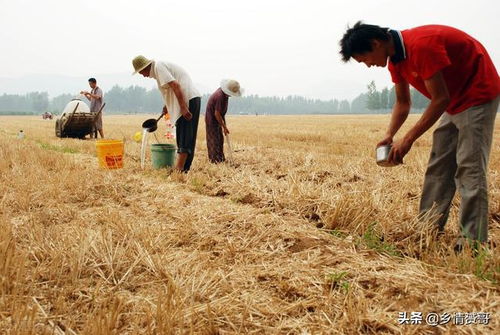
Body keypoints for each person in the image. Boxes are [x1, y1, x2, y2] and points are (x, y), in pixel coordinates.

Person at [339, 22, 500, 251]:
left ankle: (472, 242)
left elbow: (440, 98)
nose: (367, 65)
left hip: (476, 94)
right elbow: (403, 103)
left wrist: (408, 139)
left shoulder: (422, 46)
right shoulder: (395, 59)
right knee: (439, 165)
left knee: (469, 167)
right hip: (454, 101)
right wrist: (390, 135)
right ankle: (427, 229)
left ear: (375, 44)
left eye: (364, 59)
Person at [132, 55, 201, 172]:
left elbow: (176, 85)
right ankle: (184, 169)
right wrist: (167, 106)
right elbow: (171, 89)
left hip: (187, 100)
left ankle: (179, 168)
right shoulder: (159, 71)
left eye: (141, 72)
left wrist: (183, 107)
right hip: (189, 99)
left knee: (184, 135)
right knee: (186, 135)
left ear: (146, 67)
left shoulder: (159, 67)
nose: (143, 75)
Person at [205, 79, 243, 163]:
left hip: (218, 118)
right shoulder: (220, 96)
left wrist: (224, 126)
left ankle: (220, 159)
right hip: (212, 119)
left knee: (220, 139)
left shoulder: (225, 96)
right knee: (214, 140)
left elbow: (221, 113)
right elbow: (217, 114)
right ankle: (214, 160)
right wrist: (224, 127)